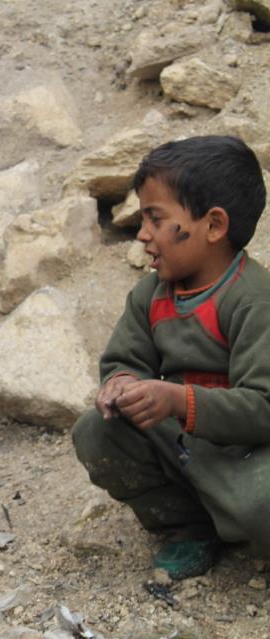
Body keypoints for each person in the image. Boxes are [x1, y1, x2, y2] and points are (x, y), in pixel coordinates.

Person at [72, 135, 270, 580]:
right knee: (96, 433)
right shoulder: (150, 295)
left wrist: (178, 400)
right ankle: (189, 528)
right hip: (183, 448)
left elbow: (264, 407)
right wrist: (121, 384)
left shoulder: (253, 300)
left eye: (154, 218)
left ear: (214, 226)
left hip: (249, 455)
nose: (142, 233)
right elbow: (124, 359)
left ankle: (239, 524)